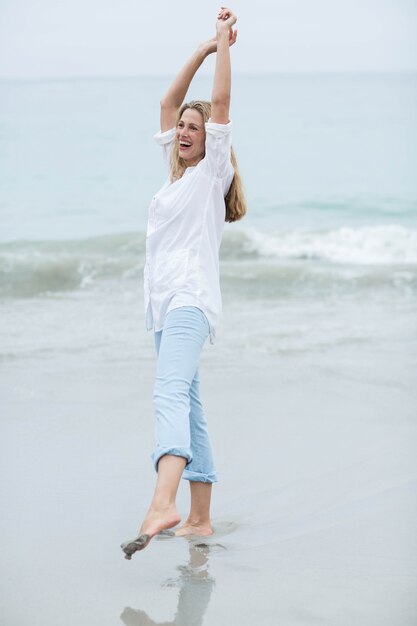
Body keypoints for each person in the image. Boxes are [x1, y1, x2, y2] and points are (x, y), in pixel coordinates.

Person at [121, 6, 247, 560]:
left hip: (189, 302)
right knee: (189, 401)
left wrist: (222, 45)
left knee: (168, 392)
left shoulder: (208, 178)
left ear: (210, 140)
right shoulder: (173, 181)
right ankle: (198, 518)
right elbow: (168, 104)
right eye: (184, 130)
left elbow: (217, 105)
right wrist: (198, 51)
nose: (186, 132)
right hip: (163, 308)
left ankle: (161, 502)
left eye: (196, 130)